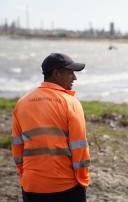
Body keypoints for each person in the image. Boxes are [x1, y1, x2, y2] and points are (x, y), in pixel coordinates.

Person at [11, 53, 90, 202]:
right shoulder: (71, 103)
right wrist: (83, 181)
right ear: (56, 73)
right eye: (70, 73)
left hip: (31, 185)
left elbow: (17, 147)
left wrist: (25, 176)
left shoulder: (22, 103)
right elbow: (80, 149)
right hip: (65, 186)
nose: (74, 78)